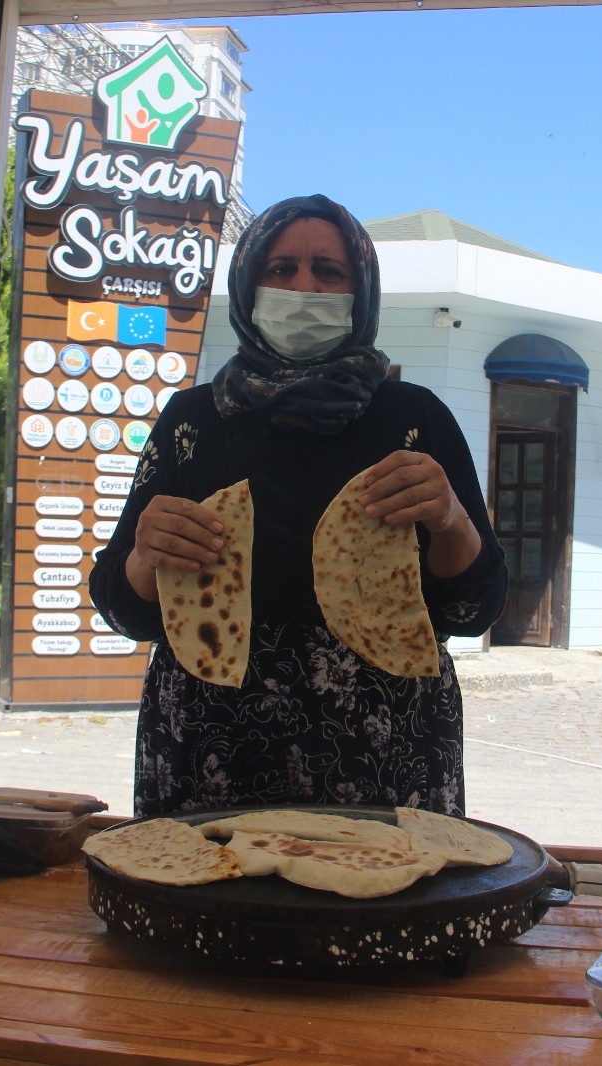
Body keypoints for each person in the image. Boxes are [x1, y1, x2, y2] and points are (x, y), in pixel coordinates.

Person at [89, 193, 507, 818]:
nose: (304, 287)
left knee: (390, 882)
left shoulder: (415, 418)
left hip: (384, 749)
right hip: (211, 743)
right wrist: (146, 556)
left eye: (329, 271)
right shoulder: (193, 422)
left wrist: (450, 520)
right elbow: (126, 612)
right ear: (248, 284)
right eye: (281, 269)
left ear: (361, 291)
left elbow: (475, 610)